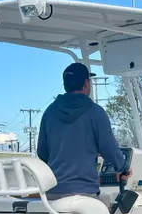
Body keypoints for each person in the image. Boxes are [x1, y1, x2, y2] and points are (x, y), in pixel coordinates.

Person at [36, 62, 132, 201]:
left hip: (53, 194)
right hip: (84, 192)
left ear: (65, 85)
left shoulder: (49, 112)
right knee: (109, 210)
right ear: (86, 83)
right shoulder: (95, 112)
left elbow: (42, 152)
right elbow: (109, 149)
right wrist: (123, 167)